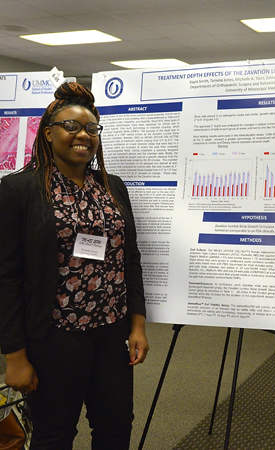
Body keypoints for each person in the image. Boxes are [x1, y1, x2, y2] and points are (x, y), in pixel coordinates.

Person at [0, 82, 149, 450]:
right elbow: (6, 276)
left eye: (91, 128)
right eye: (71, 126)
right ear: (48, 133)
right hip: (55, 336)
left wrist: (138, 323)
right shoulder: (19, 190)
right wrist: (14, 355)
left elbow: (129, 258)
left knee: (116, 426)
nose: (83, 135)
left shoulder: (111, 186)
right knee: (55, 433)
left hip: (112, 332)